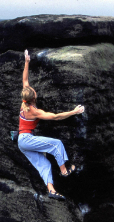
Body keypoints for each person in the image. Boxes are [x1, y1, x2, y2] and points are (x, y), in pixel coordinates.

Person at [17, 49, 85, 200]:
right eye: (34, 91)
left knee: (45, 165)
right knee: (56, 144)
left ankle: (51, 190)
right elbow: (55, 117)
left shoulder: (24, 102)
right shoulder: (34, 111)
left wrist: (27, 62)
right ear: (33, 97)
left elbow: (25, 80)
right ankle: (64, 171)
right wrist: (73, 112)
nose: (34, 90)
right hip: (26, 139)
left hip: (22, 143)